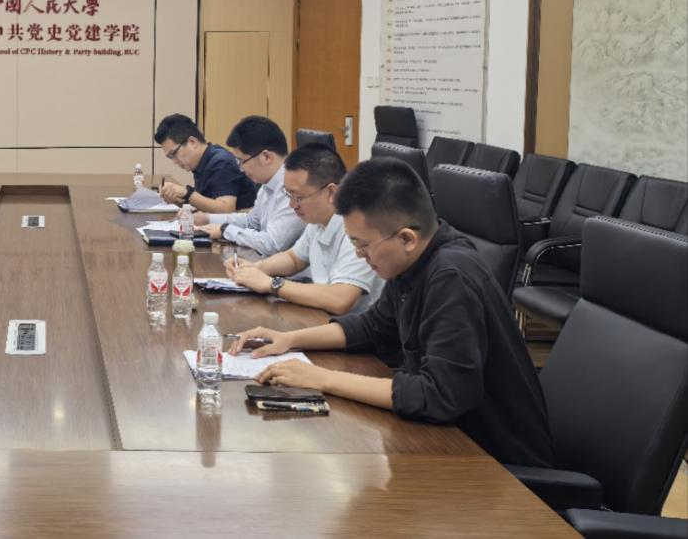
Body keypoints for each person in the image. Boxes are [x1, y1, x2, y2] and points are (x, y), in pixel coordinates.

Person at [230, 157, 554, 468]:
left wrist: (323, 379)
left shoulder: (451, 276)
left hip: (495, 461)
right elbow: (373, 327)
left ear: (407, 238)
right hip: (446, 438)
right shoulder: (412, 261)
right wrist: (289, 339)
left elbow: (438, 394)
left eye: (363, 245)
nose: (359, 255)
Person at [224, 143, 382, 315]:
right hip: (324, 318)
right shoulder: (318, 220)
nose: (292, 205)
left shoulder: (358, 226)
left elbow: (340, 299)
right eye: (289, 195)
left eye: (298, 197)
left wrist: (271, 284)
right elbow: (294, 259)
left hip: (355, 328)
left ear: (331, 192)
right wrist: (256, 268)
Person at [194, 115, 304, 254]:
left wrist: (225, 230)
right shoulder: (268, 185)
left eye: (242, 161)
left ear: (266, 157)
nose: (240, 169)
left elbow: (272, 243)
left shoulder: (294, 190)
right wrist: (207, 218)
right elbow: (251, 222)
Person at [153, 113, 256, 214]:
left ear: (192, 142)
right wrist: (181, 197)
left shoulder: (221, 162)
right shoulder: (201, 161)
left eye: (174, 154)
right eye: (170, 157)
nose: (174, 161)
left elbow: (226, 210)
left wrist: (187, 193)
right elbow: (208, 199)